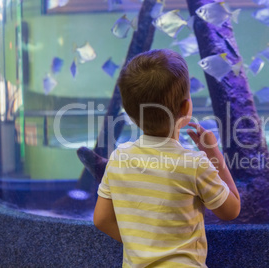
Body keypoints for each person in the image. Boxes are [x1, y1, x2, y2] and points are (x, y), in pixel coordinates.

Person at [93, 49, 241, 267]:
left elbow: (101, 219)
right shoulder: (194, 163)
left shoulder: (118, 158)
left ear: (129, 112)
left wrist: (143, 246)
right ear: (186, 107)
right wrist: (212, 152)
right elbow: (231, 210)